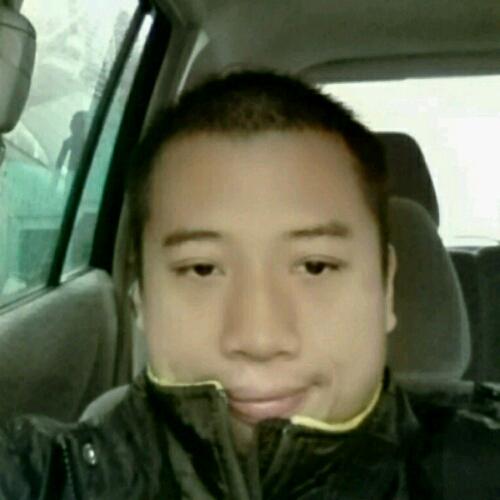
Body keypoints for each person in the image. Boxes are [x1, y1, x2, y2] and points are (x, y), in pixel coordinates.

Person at [0, 71, 499, 499]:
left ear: (386, 289)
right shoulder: (56, 478)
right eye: (202, 269)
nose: (259, 338)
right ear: (140, 301)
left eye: (315, 266)